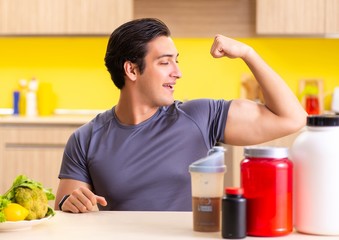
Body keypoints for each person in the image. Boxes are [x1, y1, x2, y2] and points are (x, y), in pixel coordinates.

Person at [55, 18, 306, 213]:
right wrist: (72, 204)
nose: (178, 72)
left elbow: (292, 118)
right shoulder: (86, 139)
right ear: (131, 70)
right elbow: (66, 210)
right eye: (165, 63)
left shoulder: (200, 117)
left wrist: (247, 53)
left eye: (177, 61)